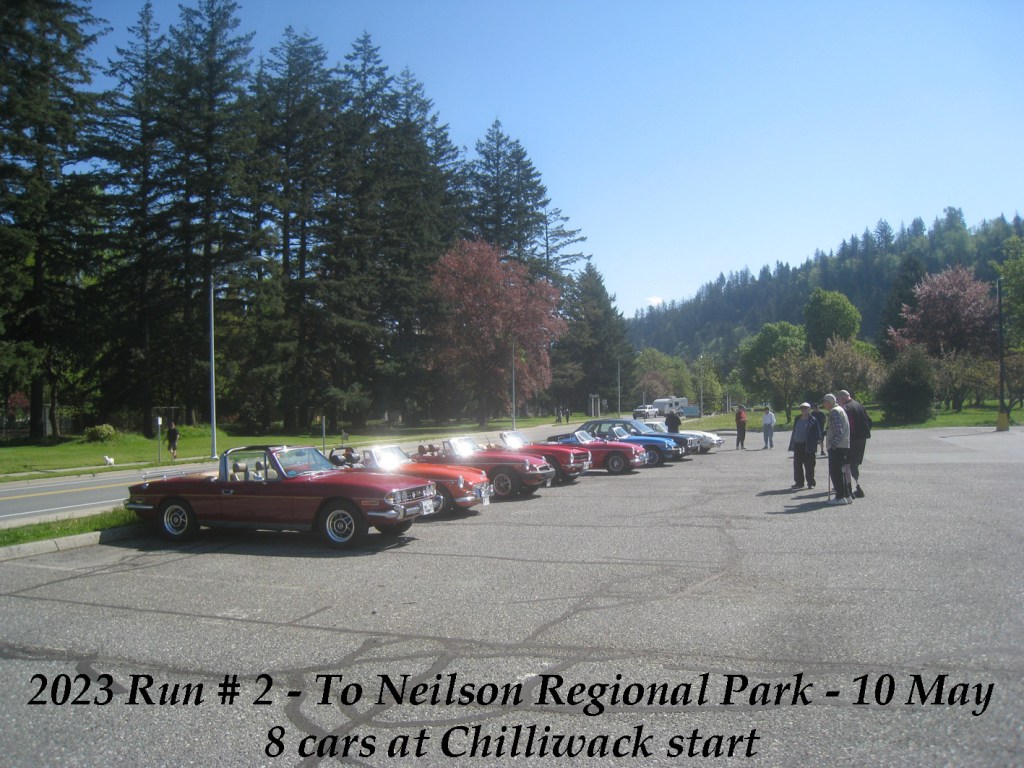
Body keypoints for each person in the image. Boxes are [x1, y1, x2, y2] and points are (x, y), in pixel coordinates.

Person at [838, 389, 870, 498]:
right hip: (862, 437)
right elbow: (869, 420)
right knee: (855, 462)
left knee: (848, 462)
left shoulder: (846, 408)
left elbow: (847, 424)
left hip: (852, 438)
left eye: (838, 400)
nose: (838, 402)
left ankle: (851, 487)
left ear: (842, 398)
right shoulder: (859, 405)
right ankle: (857, 484)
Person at [822, 393, 852, 505]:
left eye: (824, 402)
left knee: (836, 472)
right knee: (842, 471)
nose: (823, 404)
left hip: (837, 446)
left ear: (829, 402)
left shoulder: (834, 411)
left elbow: (838, 431)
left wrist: (832, 445)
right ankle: (847, 495)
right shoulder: (840, 409)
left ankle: (840, 497)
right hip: (844, 445)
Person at [787, 402, 820, 489]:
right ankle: (799, 482)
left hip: (808, 445)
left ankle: (811, 482)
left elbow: (817, 432)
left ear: (809, 409)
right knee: (797, 464)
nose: (803, 410)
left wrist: (817, 442)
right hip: (798, 444)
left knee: (809, 465)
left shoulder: (813, 419)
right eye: (801, 408)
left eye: (805, 408)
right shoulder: (797, 418)